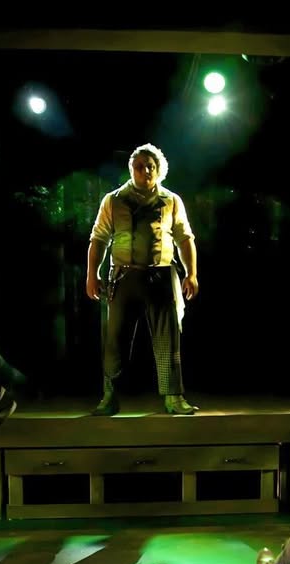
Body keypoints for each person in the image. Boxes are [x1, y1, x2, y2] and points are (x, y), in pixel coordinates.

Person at [86, 143, 199, 416]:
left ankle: (174, 398)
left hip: (161, 276)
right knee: (115, 339)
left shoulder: (171, 201)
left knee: (168, 339)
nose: (145, 171)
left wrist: (191, 273)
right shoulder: (113, 200)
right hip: (124, 276)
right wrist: (92, 275)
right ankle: (109, 397)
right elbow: (98, 239)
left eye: (150, 166)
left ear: (159, 169)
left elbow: (185, 238)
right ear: (131, 170)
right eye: (139, 166)